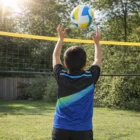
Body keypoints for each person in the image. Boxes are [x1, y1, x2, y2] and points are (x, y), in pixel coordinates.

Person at [52, 24, 102, 140]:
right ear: (85, 64)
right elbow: (97, 59)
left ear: (65, 64)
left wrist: (60, 39)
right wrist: (97, 43)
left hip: (60, 129)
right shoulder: (90, 77)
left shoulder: (61, 76)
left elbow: (55, 56)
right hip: (83, 131)